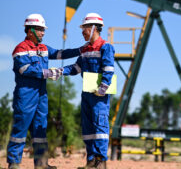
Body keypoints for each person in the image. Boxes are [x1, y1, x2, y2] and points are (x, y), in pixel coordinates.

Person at [7, 13, 82, 169]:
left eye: (43, 30)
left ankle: (41, 164)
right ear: (30, 30)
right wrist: (47, 73)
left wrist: (80, 50)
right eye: (40, 29)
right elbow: (24, 69)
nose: (43, 33)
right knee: (20, 128)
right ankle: (14, 163)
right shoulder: (21, 48)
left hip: (41, 95)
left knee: (40, 129)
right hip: (26, 94)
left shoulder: (43, 48)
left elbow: (61, 53)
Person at [61, 13, 115, 169]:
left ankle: (100, 161)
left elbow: (109, 68)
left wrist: (104, 87)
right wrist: (59, 71)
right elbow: (77, 68)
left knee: (100, 125)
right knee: (88, 127)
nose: (82, 32)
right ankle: (91, 160)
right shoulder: (85, 49)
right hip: (87, 92)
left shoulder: (105, 47)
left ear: (93, 28)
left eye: (84, 28)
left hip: (100, 94)